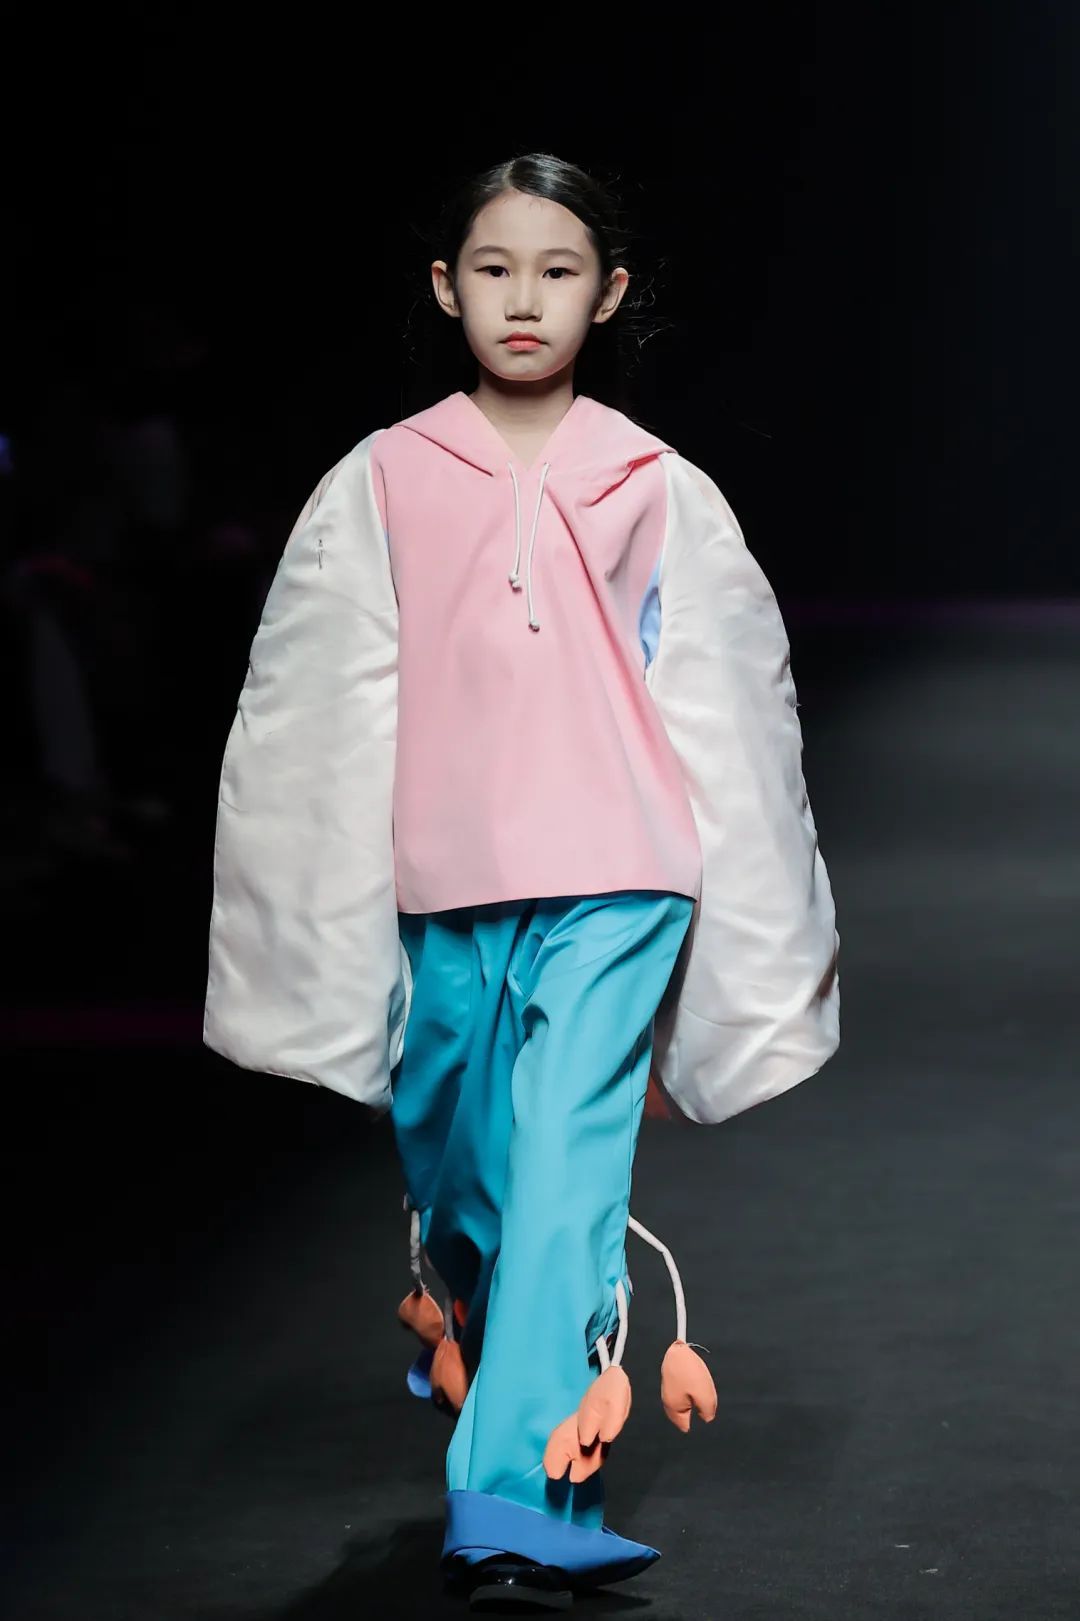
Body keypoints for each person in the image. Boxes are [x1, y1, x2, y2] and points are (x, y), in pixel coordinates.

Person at [203, 152, 840, 1613]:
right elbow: (315, 701)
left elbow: (729, 697)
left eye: (559, 271)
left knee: (562, 1171)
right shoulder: (383, 478)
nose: (525, 299)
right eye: (494, 269)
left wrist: (756, 919)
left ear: (608, 296)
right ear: (447, 288)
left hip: (621, 868)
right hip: (445, 875)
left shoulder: (654, 482)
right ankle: (505, 1380)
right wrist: (310, 909)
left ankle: (510, 1509)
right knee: (465, 1178)